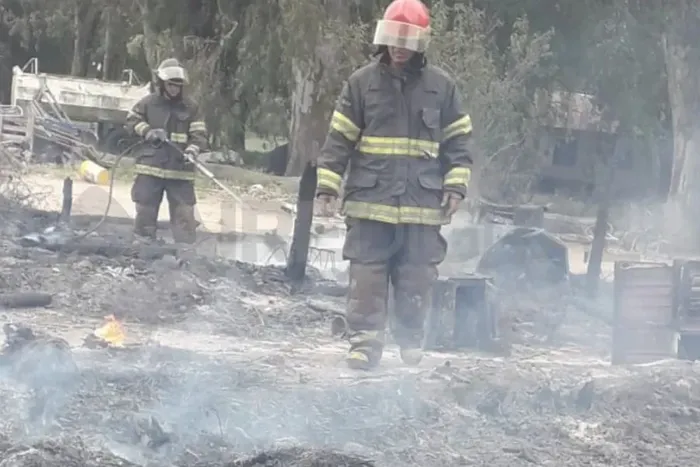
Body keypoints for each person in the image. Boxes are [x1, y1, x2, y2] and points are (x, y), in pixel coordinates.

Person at [316, 0, 474, 370]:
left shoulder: (442, 87)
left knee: (416, 275)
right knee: (367, 273)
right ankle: (364, 344)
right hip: (370, 200)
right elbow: (339, 138)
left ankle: (410, 338)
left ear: (421, 42)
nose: (398, 47)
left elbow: (459, 142)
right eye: (393, 37)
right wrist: (327, 186)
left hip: (421, 204)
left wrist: (455, 186)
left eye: (407, 40)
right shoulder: (361, 83)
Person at [125, 58, 208, 243]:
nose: (174, 89)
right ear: (161, 83)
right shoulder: (147, 103)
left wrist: (192, 151)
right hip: (150, 168)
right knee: (145, 210)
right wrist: (148, 131)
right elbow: (131, 121)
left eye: (178, 86)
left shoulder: (191, 108)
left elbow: (199, 135)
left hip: (180, 172)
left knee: (184, 214)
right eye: (171, 85)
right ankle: (144, 247)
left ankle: (185, 250)